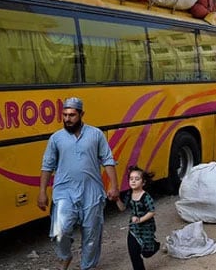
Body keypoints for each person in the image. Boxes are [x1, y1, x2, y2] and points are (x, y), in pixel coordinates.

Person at [38, 97, 119, 270]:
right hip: (63, 192)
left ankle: (87, 266)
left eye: (72, 115)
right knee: (60, 230)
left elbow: (108, 160)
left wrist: (114, 186)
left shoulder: (96, 134)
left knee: (91, 234)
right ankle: (65, 256)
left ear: (81, 114)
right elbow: (47, 166)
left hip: (92, 192)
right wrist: (42, 192)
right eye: (65, 115)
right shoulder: (56, 138)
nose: (67, 119)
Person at [116, 166, 160, 270]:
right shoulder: (129, 194)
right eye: (131, 179)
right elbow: (123, 208)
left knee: (147, 252)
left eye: (137, 179)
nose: (133, 181)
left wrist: (140, 219)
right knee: (133, 251)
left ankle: (154, 246)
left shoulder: (146, 197)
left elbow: (152, 212)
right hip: (134, 228)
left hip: (146, 228)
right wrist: (117, 199)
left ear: (143, 182)